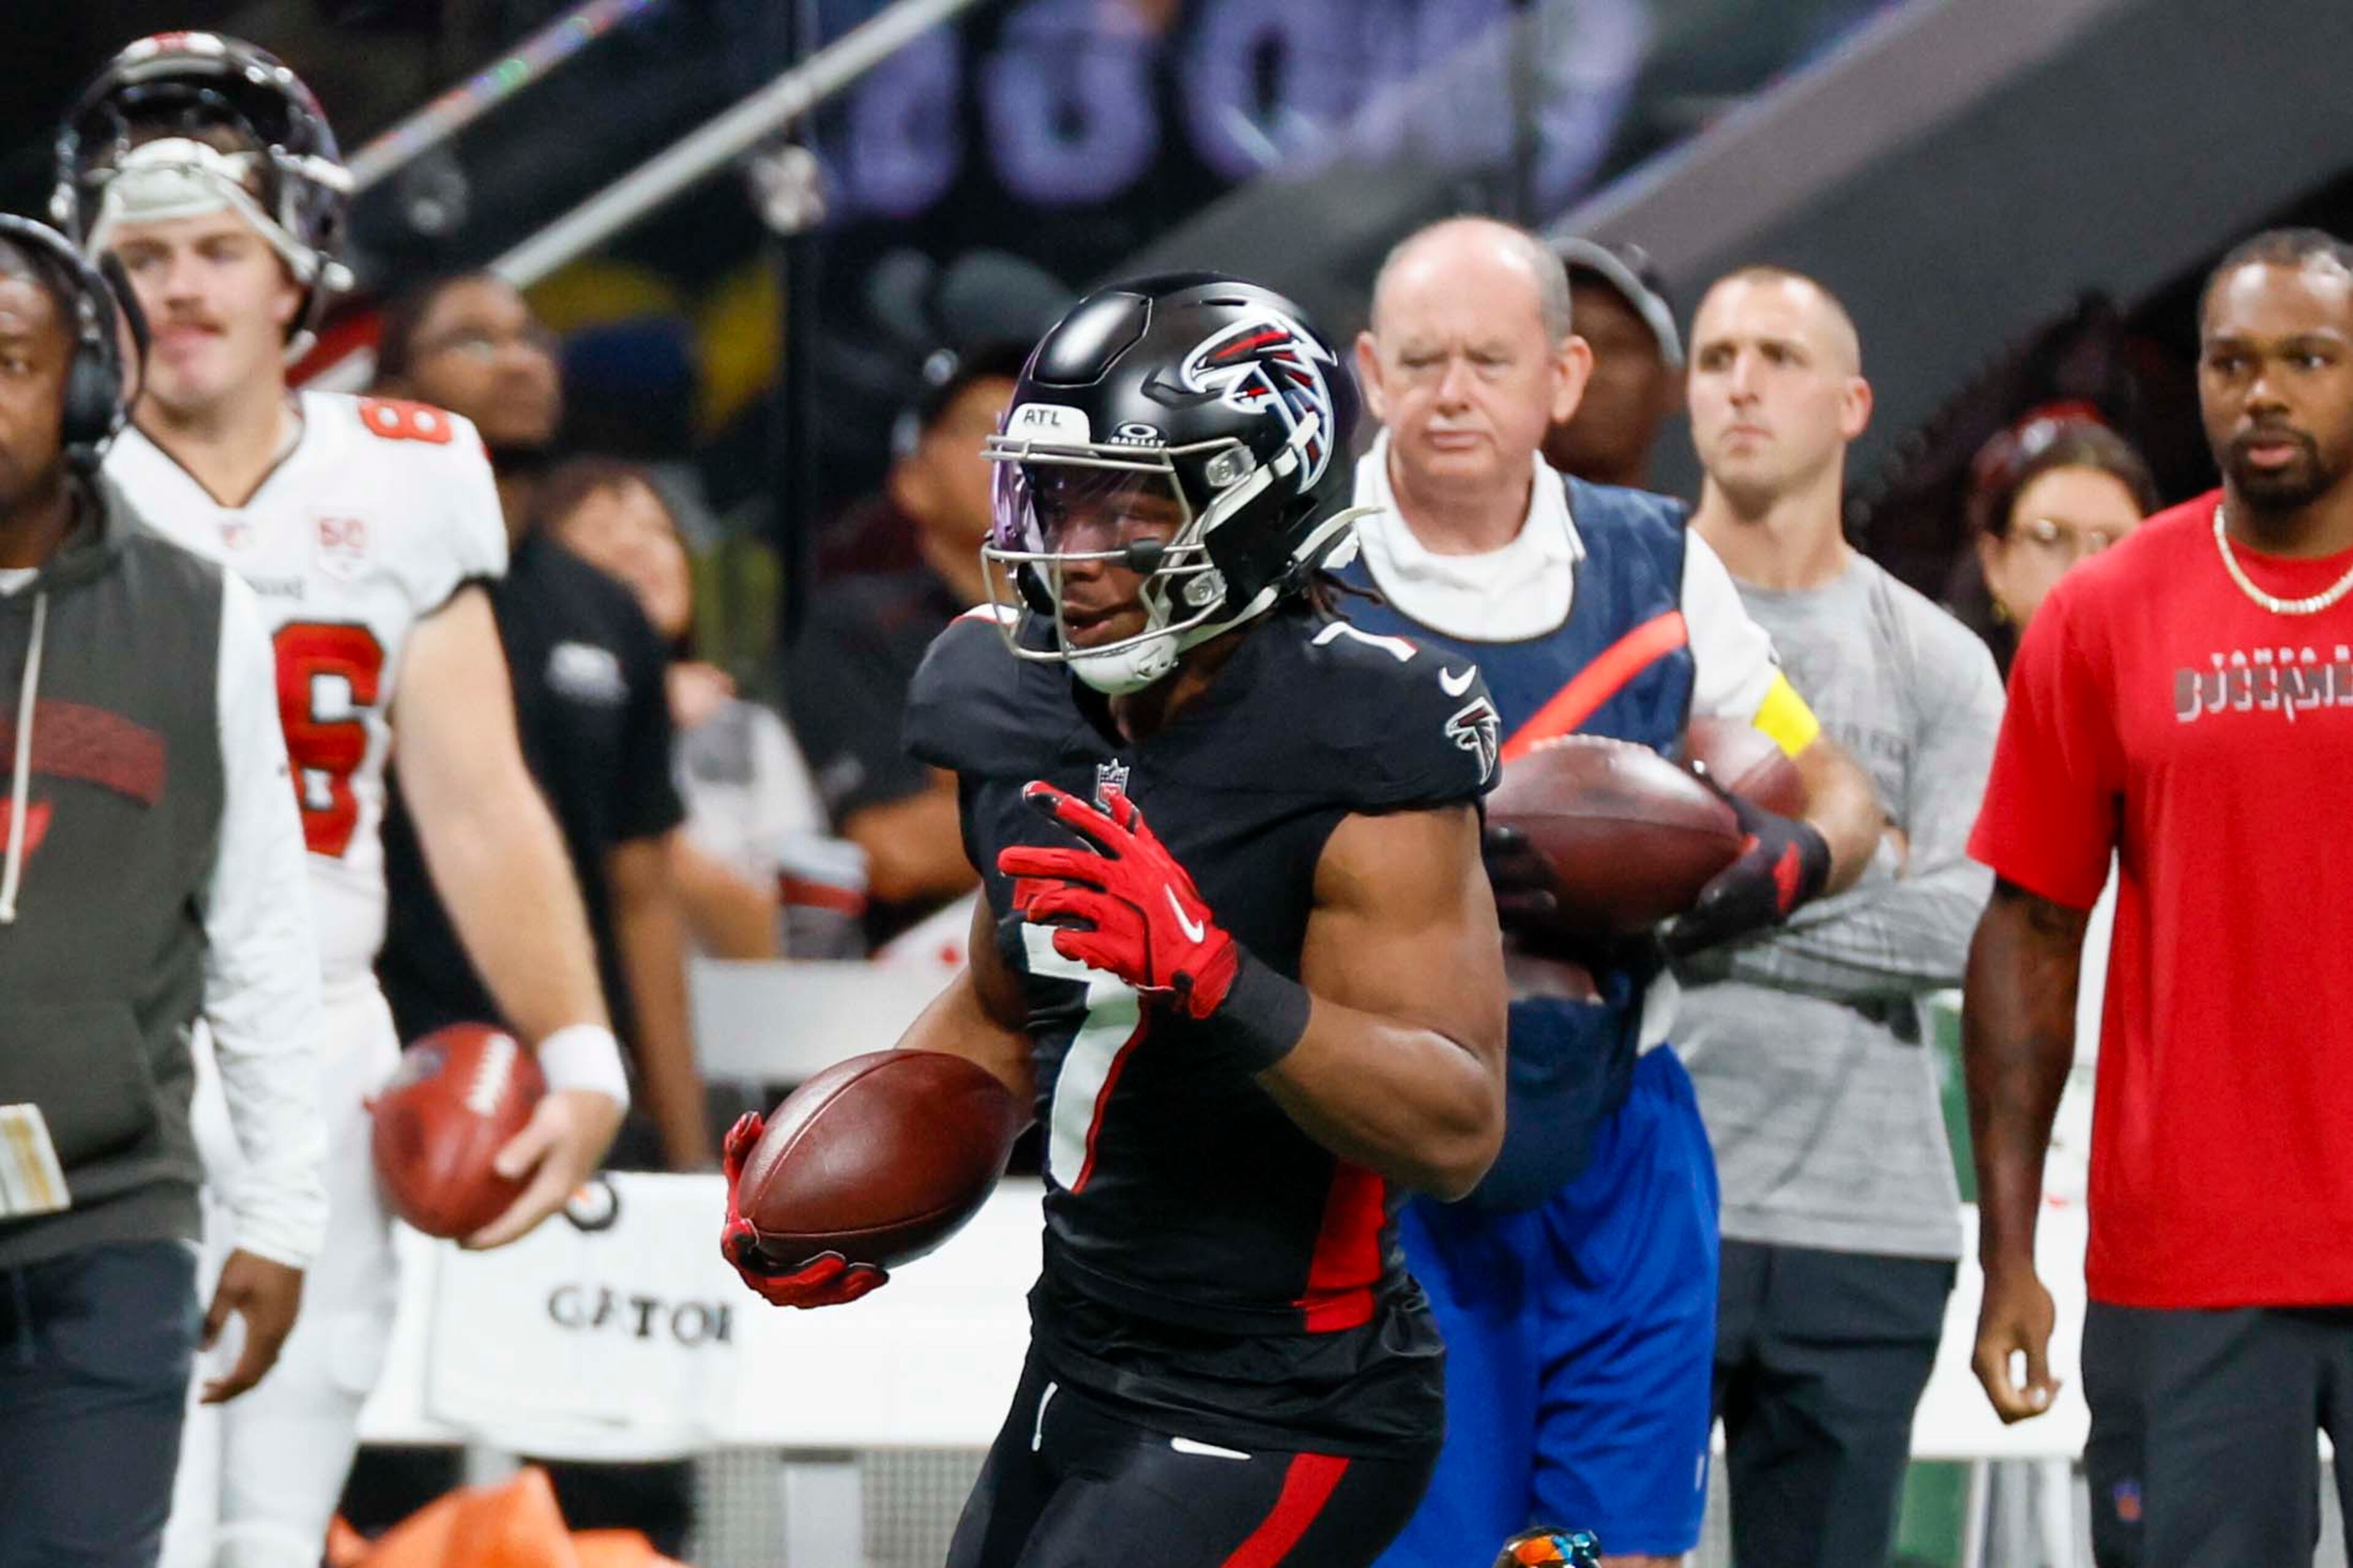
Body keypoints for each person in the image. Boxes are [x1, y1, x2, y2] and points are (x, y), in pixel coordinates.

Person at [724, 273, 1511, 1566]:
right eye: (1055, 495)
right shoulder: (1004, 694)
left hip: (1292, 1394)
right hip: (1082, 1351)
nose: (1075, 548)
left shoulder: (1360, 736)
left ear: (1258, 499)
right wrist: (840, 1183)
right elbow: (999, 1011)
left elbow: (1458, 1124)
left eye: (1132, 502)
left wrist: (1214, 975)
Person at [52, 34, 629, 1567]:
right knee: (127, 1524)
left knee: (274, 1527)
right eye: (145, 251)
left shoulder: (408, 469)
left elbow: (477, 797)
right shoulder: (48, 486)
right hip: (110, 1055)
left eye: (217, 249)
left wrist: (579, 1049)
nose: (178, 287)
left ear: (297, 260)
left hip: (319, 1039)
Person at [1335, 217, 1883, 1568]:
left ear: (1562, 379)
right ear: (1368, 374)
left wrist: (1724, 891)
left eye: (1487, 358)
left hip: (1617, 1129)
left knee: (1616, 1556)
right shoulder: (1298, 576)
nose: (1452, 390)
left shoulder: (1652, 563)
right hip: (1379, 1155)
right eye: (1421, 359)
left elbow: (1843, 804)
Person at [1967, 227, 2353, 1564]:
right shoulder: (2105, 612)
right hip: (2189, 1261)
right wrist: (2010, 1255)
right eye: (2232, 361)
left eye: (2309, 358)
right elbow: (2029, 931)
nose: (2265, 393)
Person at [0, 218, 324, 1568]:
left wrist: (286, 1216)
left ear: (85, 385)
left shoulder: (203, 617)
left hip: (108, 1220)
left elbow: (258, 931)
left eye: (10, 362)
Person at [1672, 265, 2005, 1568]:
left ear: (1854, 401)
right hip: (1644, 1201)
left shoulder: (1933, 655)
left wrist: (1688, 916)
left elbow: (1963, 931)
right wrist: (1870, 867)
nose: (1740, 383)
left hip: (1869, 1228)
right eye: (1714, 358)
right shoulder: (1629, 614)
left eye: (1777, 356)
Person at [369, 274, 708, 1173]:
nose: (519, 358)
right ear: (394, 395)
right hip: (368, 1068)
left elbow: (643, 897)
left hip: (575, 1084)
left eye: (530, 337)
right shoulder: (353, 591)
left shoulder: (606, 612)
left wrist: (689, 1157)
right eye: (473, 340)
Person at [784, 341, 1026, 945]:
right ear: (914, 480)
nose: (1017, 451)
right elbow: (895, 851)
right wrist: (1106, 797)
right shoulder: (862, 626)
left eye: (1033, 426)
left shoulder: (1110, 612)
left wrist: (976, 788)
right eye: (987, 429)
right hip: (922, 980)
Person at [542, 455, 828, 960]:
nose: (635, 546)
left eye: (658, 529)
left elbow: (793, 945)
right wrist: (629, 717)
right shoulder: (519, 714)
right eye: (599, 528)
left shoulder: (744, 732)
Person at [1947, 404, 2158, 676]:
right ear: (1994, 561)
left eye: (2113, 543)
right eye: (2051, 538)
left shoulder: (2196, 699)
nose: (2084, 567)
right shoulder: (1942, 695)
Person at [1539, 238, 1684, 490]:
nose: (1590, 374)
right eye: (1567, 344)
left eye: (1619, 345)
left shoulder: (1692, 531)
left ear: (1673, 383)